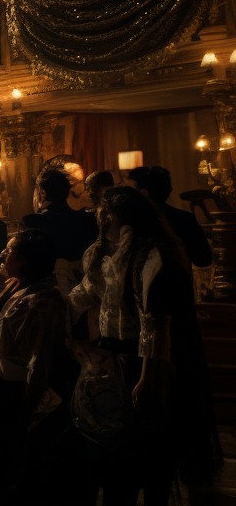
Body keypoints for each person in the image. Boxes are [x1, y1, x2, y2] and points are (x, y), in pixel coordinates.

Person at [68, 186, 219, 505]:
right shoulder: (101, 251)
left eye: (101, 211)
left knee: (150, 451)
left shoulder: (152, 256)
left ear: (112, 215)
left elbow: (156, 322)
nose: (98, 217)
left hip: (145, 360)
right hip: (114, 358)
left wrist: (148, 378)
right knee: (117, 451)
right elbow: (86, 293)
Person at [0, 230, 68, 502]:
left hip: (13, 398)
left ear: (25, 260)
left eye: (9, 250)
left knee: (4, 468)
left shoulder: (42, 300)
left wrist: (26, 413)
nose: (2, 254)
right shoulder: (20, 283)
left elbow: (39, 362)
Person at [22, 167, 98, 292]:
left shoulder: (34, 222)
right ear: (68, 192)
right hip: (85, 288)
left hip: (47, 291)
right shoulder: (87, 219)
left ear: (42, 193)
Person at [127, 165, 213, 268]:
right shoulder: (185, 219)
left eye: (130, 191)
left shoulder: (133, 222)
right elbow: (203, 260)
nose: (126, 195)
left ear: (144, 193)